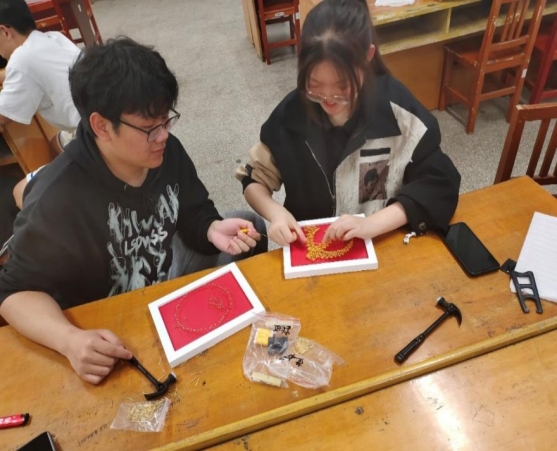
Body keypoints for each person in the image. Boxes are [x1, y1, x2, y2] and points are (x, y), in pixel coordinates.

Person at [0, 37, 267, 385]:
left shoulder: (163, 151)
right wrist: (70, 341)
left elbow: (191, 208)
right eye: (150, 128)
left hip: (162, 276)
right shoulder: (59, 199)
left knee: (249, 225)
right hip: (111, 317)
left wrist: (210, 228)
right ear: (101, 126)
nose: (163, 136)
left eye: (166, 121)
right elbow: (13, 293)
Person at [236, 0, 460, 247]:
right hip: (312, 249)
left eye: (342, 86)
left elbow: (441, 183)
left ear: (368, 56)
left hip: (381, 245)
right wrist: (276, 213)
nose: (328, 99)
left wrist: (371, 224)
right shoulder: (291, 116)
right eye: (315, 85)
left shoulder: (400, 114)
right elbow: (253, 179)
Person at [0, 0, 82, 208]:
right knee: (55, 142)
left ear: (5, 31)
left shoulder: (21, 61)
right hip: (94, 119)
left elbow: (2, 117)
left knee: (19, 191)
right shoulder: (54, 38)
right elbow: (23, 70)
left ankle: (82, 187)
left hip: (95, 139)